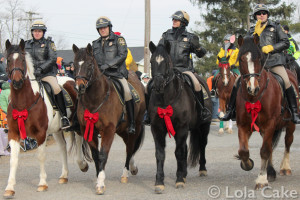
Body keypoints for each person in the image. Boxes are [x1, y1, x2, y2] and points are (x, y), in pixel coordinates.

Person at [220, 3, 300, 124]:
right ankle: (230, 111)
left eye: (264, 13)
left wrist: (271, 47)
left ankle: (294, 112)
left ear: (267, 15)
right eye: (258, 13)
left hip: (274, 62)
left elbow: (285, 42)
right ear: (255, 16)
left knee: (286, 81)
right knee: (237, 82)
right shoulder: (252, 30)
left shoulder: (276, 26)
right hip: (257, 65)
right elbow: (246, 47)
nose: (261, 15)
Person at [143, 10, 209, 125]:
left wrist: (197, 47)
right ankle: (148, 114)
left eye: (176, 20)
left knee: (197, 85)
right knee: (149, 85)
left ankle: (202, 110)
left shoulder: (190, 37)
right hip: (167, 71)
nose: (173, 21)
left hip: (185, 70)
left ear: (183, 22)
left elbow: (201, 54)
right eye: (173, 19)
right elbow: (159, 50)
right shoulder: (166, 35)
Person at [92, 16, 135, 134]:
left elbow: (122, 55)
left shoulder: (119, 39)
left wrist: (109, 65)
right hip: (101, 75)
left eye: (104, 27)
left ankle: (131, 123)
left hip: (117, 74)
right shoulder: (95, 43)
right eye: (100, 28)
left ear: (109, 27)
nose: (102, 30)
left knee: (127, 92)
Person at [25, 20, 70, 129]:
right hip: (31, 76)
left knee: (56, 88)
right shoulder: (26, 44)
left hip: (46, 74)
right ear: (32, 32)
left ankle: (64, 116)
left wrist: (40, 68)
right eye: (35, 31)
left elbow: (52, 58)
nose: (37, 33)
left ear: (43, 32)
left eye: (39, 31)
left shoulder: (49, 43)